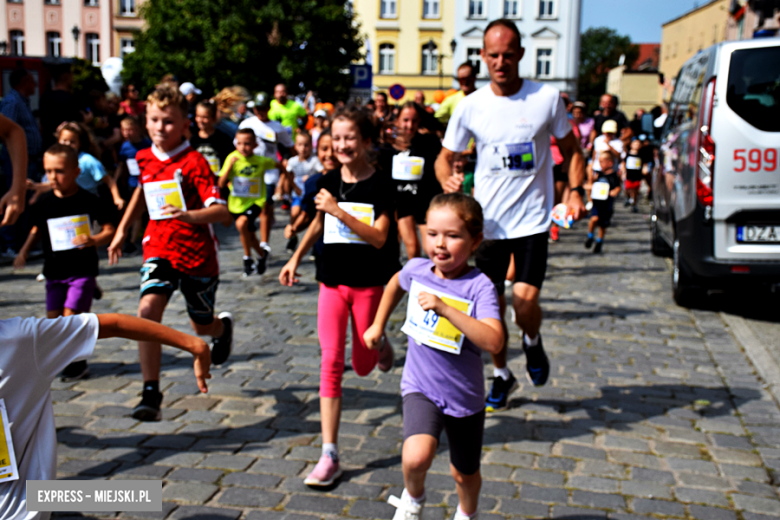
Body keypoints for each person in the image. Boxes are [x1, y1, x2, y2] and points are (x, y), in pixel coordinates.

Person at [435, 18, 586, 413]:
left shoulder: (547, 99)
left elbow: (572, 151)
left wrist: (574, 192)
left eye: (508, 54)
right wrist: (448, 181)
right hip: (488, 226)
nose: (501, 62)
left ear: (520, 54)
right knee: (491, 311)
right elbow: (445, 157)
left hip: (533, 220)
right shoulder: (470, 106)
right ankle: (502, 374)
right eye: (493, 55)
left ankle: (532, 342)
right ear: (484, 57)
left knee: (523, 301)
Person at [363, 193, 502, 520]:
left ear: (475, 240)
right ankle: (413, 499)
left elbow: (494, 341)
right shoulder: (417, 269)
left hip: (464, 396)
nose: (440, 244)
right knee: (415, 457)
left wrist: (446, 309)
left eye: (453, 236)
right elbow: (396, 282)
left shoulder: (479, 286)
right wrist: (377, 325)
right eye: (433, 233)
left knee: (463, 474)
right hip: (420, 386)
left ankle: (467, 514)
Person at [279, 106, 398, 487]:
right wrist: (296, 257)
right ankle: (329, 454)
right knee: (330, 362)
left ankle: (379, 346)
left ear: (365, 141)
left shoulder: (382, 185)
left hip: (367, 283)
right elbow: (317, 222)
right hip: (331, 281)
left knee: (362, 364)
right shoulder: (326, 179)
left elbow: (380, 237)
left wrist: (339, 211)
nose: (343, 144)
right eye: (337, 137)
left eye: (351, 138)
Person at [0, 311, 211, 520]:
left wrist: (194, 344)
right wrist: (193, 345)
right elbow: (114, 324)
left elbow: (113, 324)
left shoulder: (21, 340)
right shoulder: (21, 338)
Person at [107, 84, 233, 422]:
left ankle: (222, 329)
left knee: (201, 324)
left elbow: (222, 212)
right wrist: (121, 231)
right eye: (154, 119)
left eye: (168, 121)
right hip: (158, 247)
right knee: (147, 312)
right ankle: (151, 391)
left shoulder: (195, 162)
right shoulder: (143, 156)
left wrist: (190, 216)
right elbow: (141, 193)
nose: (160, 127)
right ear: (145, 121)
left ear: (184, 125)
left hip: (196, 254)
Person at [14, 144, 117, 382]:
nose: (53, 177)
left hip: (82, 268)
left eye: (59, 171)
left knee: (72, 316)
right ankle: (65, 356)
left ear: (76, 171)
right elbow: (36, 229)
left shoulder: (89, 200)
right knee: (53, 320)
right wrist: (24, 251)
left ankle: (77, 364)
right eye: (48, 171)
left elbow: (109, 230)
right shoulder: (44, 202)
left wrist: (94, 240)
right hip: (54, 270)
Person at [379, 101, 442, 259]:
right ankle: (412, 281)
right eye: (406, 120)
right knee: (412, 248)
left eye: (414, 121)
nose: (410, 125)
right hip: (402, 203)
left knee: (431, 248)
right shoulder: (387, 146)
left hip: (424, 201)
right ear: (398, 121)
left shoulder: (429, 142)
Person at [239, 92, 293, 253]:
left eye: (263, 108)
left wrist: (288, 162)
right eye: (257, 108)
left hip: (269, 171)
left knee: (265, 205)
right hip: (250, 172)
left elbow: (290, 147)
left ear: (269, 108)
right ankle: (253, 237)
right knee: (249, 209)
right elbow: (237, 146)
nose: (260, 112)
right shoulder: (247, 124)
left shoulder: (277, 127)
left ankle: (264, 243)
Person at [217, 128, 274, 276]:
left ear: (255, 145)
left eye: (247, 143)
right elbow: (221, 184)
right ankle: (261, 255)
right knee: (250, 235)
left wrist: (289, 182)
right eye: (239, 143)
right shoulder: (232, 158)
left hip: (255, 202)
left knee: (241, 224)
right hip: (236, 204)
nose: (243, 147)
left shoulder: (260, 161)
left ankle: (247, 258)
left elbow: (280, 166)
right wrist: (230, 167)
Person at [284, 128, 338, 267]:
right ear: (317, 150)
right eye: (324, 149)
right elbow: (308, 215)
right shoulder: (313, 182)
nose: (329, 154)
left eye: (334, 148)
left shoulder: (353, 181)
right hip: (323, 249)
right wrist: (294, 228)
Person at [116, 116, 152, 254]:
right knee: (135, 212)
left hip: (147, 183)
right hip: (132, 184)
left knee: (145, 212)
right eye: (124, 130)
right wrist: (115, 180)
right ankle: (130, 242)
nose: (126, 133)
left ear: (137, 130)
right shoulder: (125, 147)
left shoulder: (147, 144)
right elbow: (121, 165)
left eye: (130, 130)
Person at [283, 131, 322, 253]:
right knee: (295, 213)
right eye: (300, 145)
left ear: (311, 146)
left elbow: (322, 173)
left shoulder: (314, 161)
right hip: (298, 194)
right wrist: (292, 189)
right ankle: (293, 235)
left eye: (306, 145)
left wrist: (311, 180)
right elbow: (288, 176)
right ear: (295, 146)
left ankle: (315, 244)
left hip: (312, 196)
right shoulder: (292, 161)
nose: (303, 148)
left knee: (313, 219)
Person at [585, 151, 621, 253]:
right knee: (594, 219)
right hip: (597, 203)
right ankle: (590, 235)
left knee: (603, 224)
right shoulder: (598, 174)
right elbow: (591, 183)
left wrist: (615, 191)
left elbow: (618, 187)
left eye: (602, 162)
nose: (600, 164)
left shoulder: (614, 176)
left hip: (607, 204)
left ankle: (599, 241)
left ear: (610, 163)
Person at [40, 65, 82, 151]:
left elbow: (42, 124)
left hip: (49, 146)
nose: (73, 78)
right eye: (71, 75)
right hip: (67, 148)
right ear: (66, 76)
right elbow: (76, 122)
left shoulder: (45, 97)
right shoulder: (70, 99)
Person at [190, 101, 235, 176]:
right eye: (198, 116)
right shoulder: (192, 140)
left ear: (213, 118)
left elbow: (230, 160)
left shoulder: (223, 139)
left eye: (205, 117)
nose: (200, 120)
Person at [622, 139, 643, 213]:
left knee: (635, 190)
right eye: (635, 144)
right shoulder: (627, 154)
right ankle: (628, 198)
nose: (637, 146)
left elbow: (643, 164)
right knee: (627, 188)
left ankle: (634, 204)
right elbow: (623, 163)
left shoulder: (641, 155)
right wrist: (623, 172)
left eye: (638, 144)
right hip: (629, 174)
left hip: (637, 175)